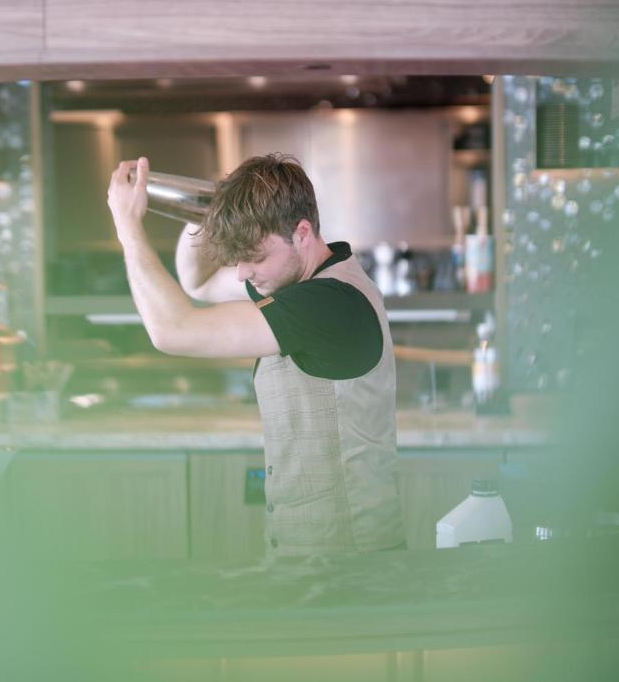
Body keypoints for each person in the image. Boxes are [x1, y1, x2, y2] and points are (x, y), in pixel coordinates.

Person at [107, 153, 404, 556]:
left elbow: (172, 329)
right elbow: (197, 283)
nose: (242, 273)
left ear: (301, 233)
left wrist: (128, 227)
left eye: (255, 257)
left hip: (347, 559)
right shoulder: (293, 278)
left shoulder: (328, 303)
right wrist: (209, 206)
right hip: (310, 552)